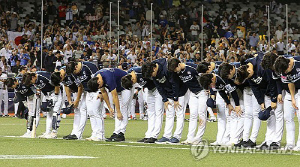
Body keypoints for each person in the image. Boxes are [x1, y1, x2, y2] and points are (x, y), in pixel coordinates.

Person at [236, 52, 279, 149]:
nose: (250, 78)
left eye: (249, 76)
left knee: (278, 117)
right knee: (270, 117)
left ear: (249, 70)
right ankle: (268, 140)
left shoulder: (262, 66)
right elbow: (255, 88)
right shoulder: (247, 70)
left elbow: (272, 83)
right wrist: (261, 102)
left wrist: (273, 98)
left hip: (276, 91)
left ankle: (274, 141)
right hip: (267, 94)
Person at [142, 58, 188, 144]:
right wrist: (165, 99)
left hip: (180, 91)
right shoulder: (154, 73)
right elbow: (159, 86)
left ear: (155, 68)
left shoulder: (167, 68)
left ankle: (177, 136)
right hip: (168, 93)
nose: (152, 76)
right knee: (169, 114)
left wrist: (175, 98)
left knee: (179, 113)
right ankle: (167, 136)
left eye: (152, 73)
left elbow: (175, 83)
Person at [168, 58, 209, 145]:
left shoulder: (193, 68)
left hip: (202, 92)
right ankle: (190, 138)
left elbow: (206, 76)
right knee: (193, 115)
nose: (175, 71)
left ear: (179, 65)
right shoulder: (178, 73)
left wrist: (208, 88)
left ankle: (198, 138)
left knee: (201, 115)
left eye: (175, 69)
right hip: (192, 93)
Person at [87, 68, 132, 142]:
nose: (100, 88)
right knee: (117, 110)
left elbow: (115, 96)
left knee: (123, 109)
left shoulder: (108, 78)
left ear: (99, 81)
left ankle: (121, 133)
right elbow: (104, 92)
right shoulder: (96, 77)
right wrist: (110, 108)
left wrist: (118, 112)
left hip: (126, 85)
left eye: (99, 86)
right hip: (118, 87)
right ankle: (116, 132)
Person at [121, 66, 163, 143]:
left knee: (158, 112)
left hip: (158, 90)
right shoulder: (130, 74)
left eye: (133, 83)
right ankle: (148, 135)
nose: (135, 84)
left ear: (133, 79)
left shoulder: (142, 72)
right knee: (150, 113)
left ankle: (154, 136)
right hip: (150, 91)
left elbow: (157, 78)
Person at [66, 61, 103, 141]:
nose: (74, 74)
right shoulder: (75, 72)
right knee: (91, 113)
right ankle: (94, 134)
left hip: (96, 91)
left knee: (96, 112)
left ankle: (100, 135)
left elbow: (99, 79)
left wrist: (100, 92)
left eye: (74, 71)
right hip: (88, 92)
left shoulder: (89, 66)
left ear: (76, 67)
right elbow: (80, 85)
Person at [22, 71, 62, 139]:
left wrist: (55, 97)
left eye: (31, 82)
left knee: (55, 112)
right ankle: (48, 132)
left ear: (33, 77)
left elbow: (57, 84)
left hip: (56, 93)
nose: (32, 83)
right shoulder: (34, 81)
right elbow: (40, 87)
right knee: (48, 113)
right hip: (47, 94)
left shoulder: (45, 75)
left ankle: (54, 132)